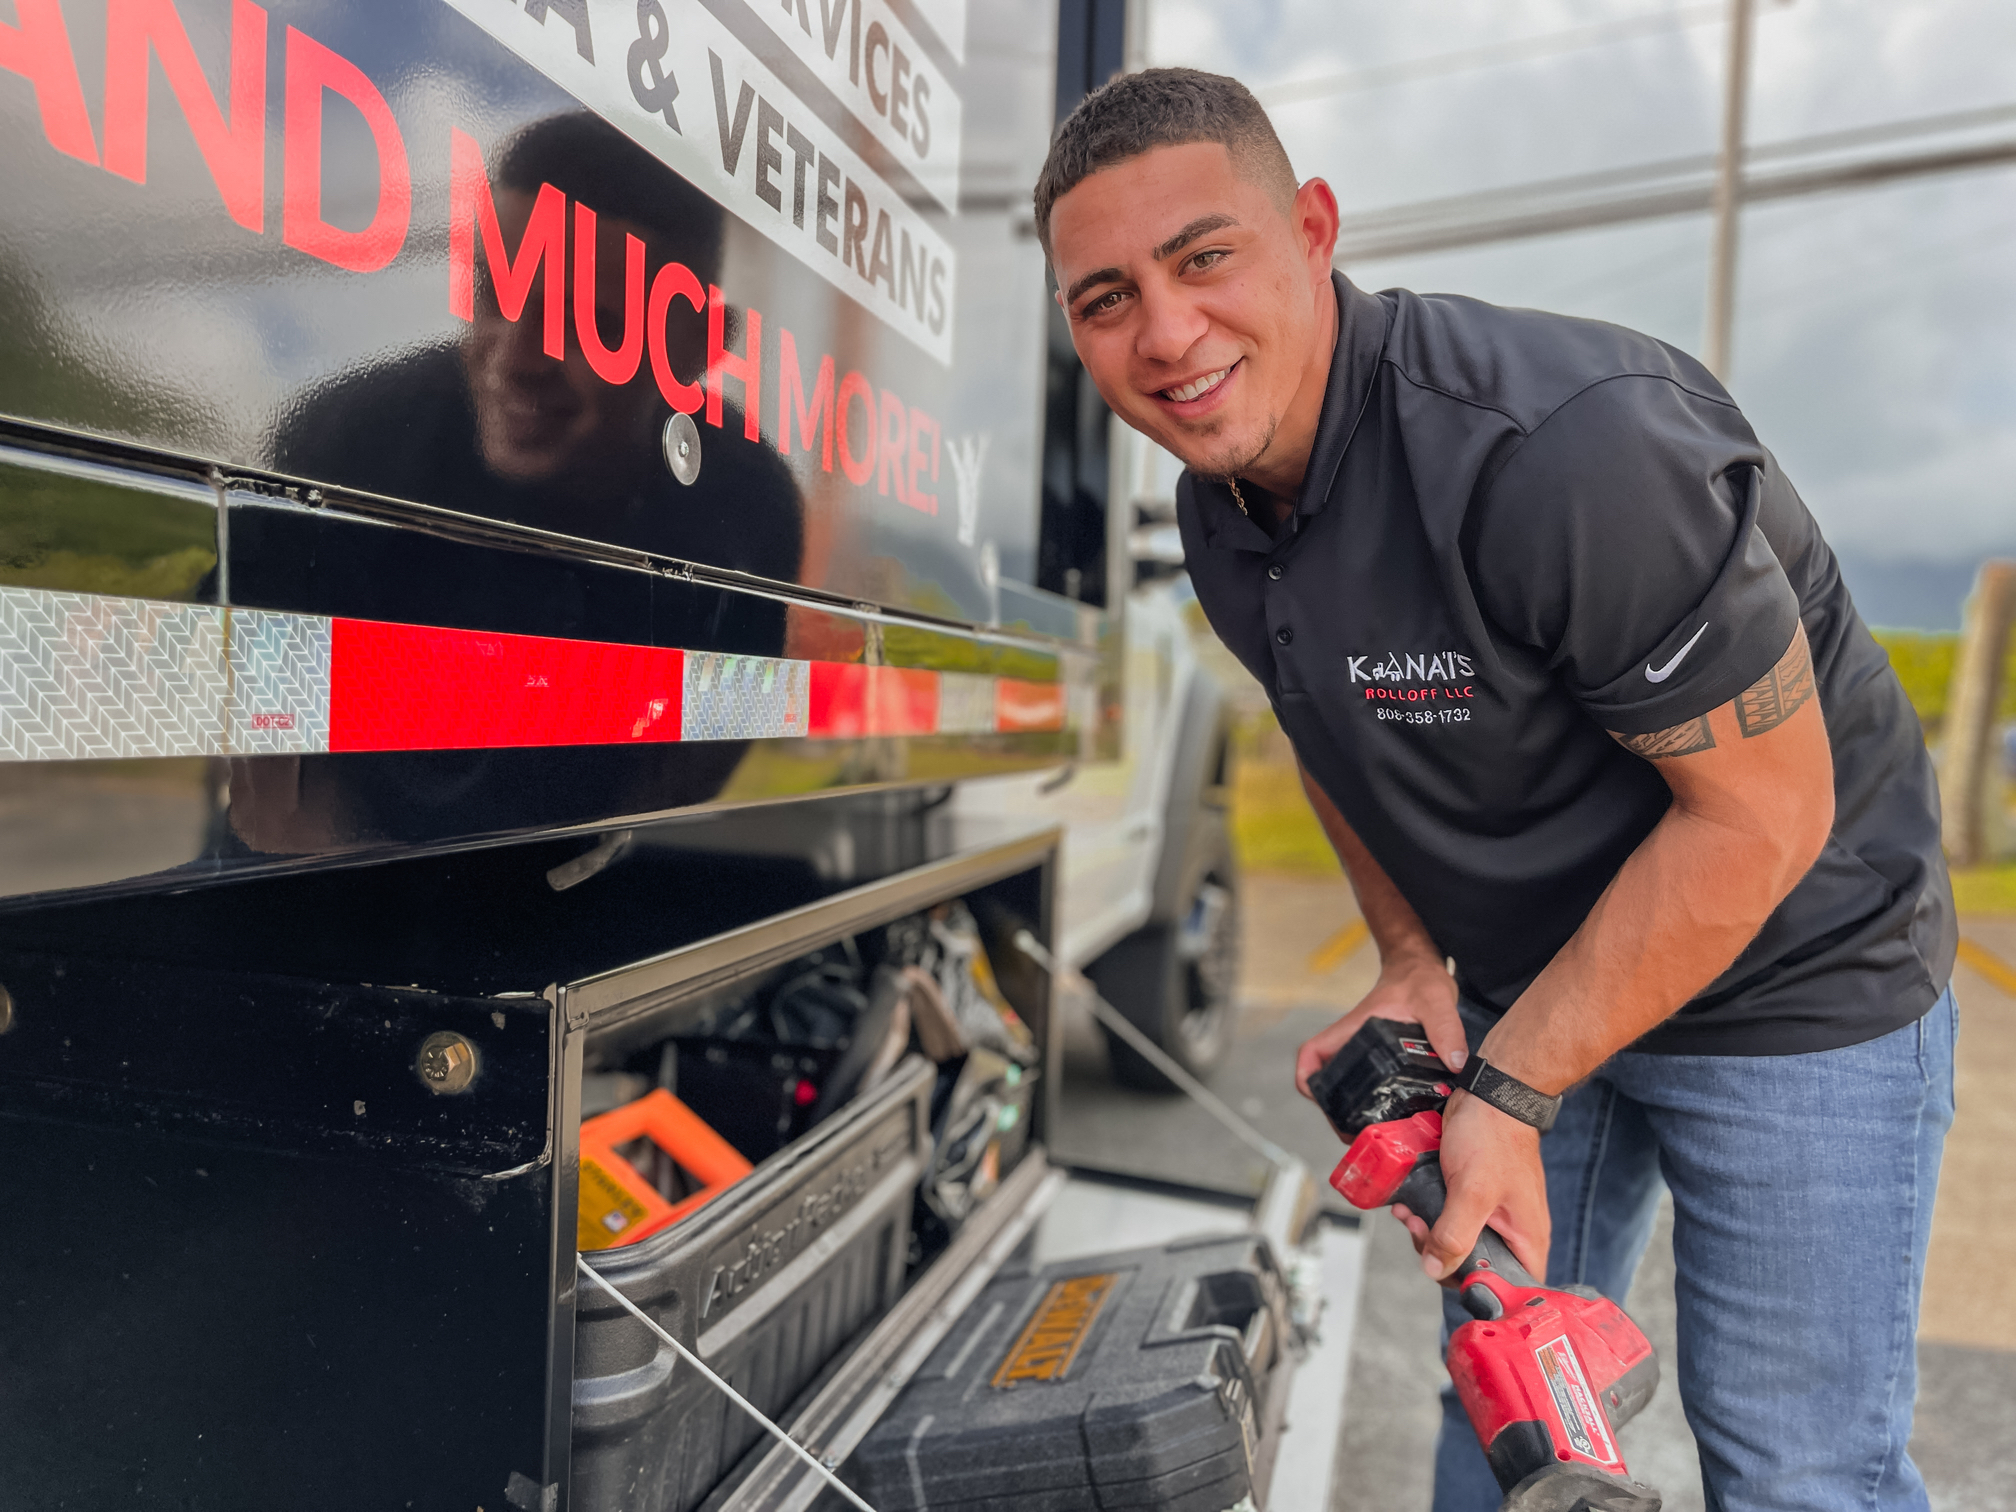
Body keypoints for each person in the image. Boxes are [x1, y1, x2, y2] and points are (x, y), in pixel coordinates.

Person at [1035, 67, 1956, 1511]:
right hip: (1538, 982)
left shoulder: (1567, 453)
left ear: (1314, 229)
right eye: (1104, 298)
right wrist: (1411, 960)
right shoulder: (1217, 514)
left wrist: (1511, 1093)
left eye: (1205, 257)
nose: (1166, 332)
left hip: (1799, 979)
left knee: (1797, 1469)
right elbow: (1328, 728)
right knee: (1516, 1416)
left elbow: (1766, 814)